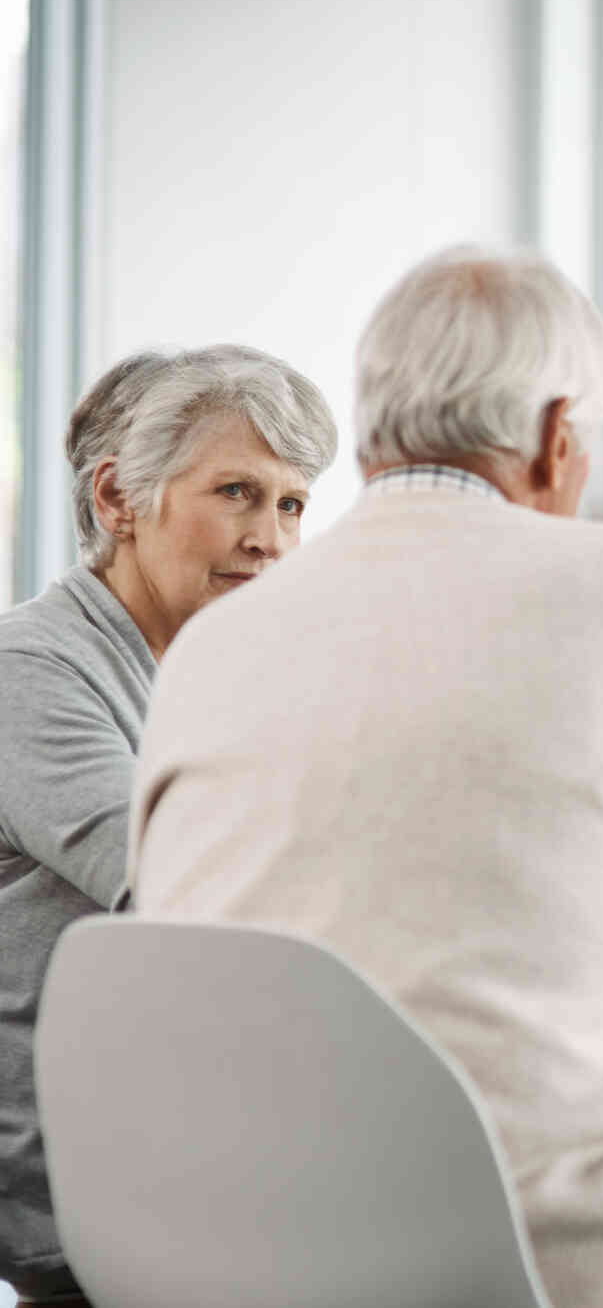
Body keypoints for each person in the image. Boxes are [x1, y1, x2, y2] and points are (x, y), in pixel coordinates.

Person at [127, 246, 603, 1308]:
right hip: (524, 1263)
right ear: (556, 436)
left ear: (370, 428)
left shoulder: (215, 642)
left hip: (237, 1256)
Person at [0, 346, 337, 1305]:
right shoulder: (29, 670)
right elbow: (187, 886)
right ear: (116, 499)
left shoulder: (204, 674)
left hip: (193, 1149)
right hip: (95, 1202)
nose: (270, 538)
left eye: (292, 504)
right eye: (238, 491)